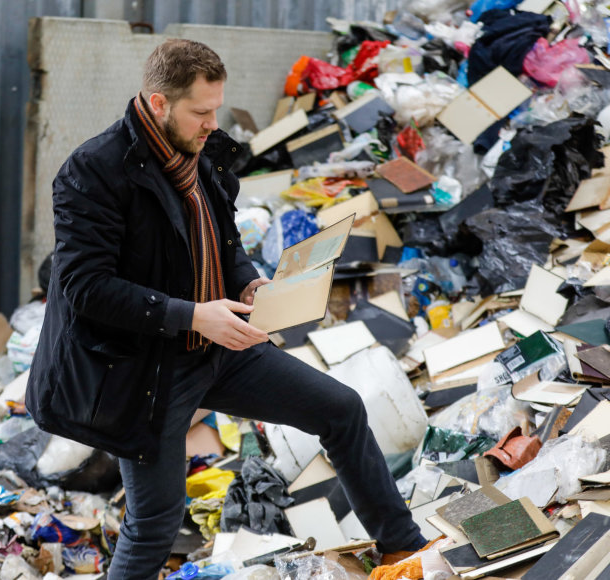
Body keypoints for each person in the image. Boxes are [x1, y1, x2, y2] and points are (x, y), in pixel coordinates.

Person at [26, 38, 426, 579]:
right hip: (145, 371)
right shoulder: (94, 171)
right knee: (155, 523)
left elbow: (226, 244)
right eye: (201, 111)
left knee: (341, 409)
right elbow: (82, 286)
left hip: (217, 346)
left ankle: (402, 550)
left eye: (217, 108)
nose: (213, 122)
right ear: (159, 103)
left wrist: (249, 287)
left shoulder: (205, 153)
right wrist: (192, 315)